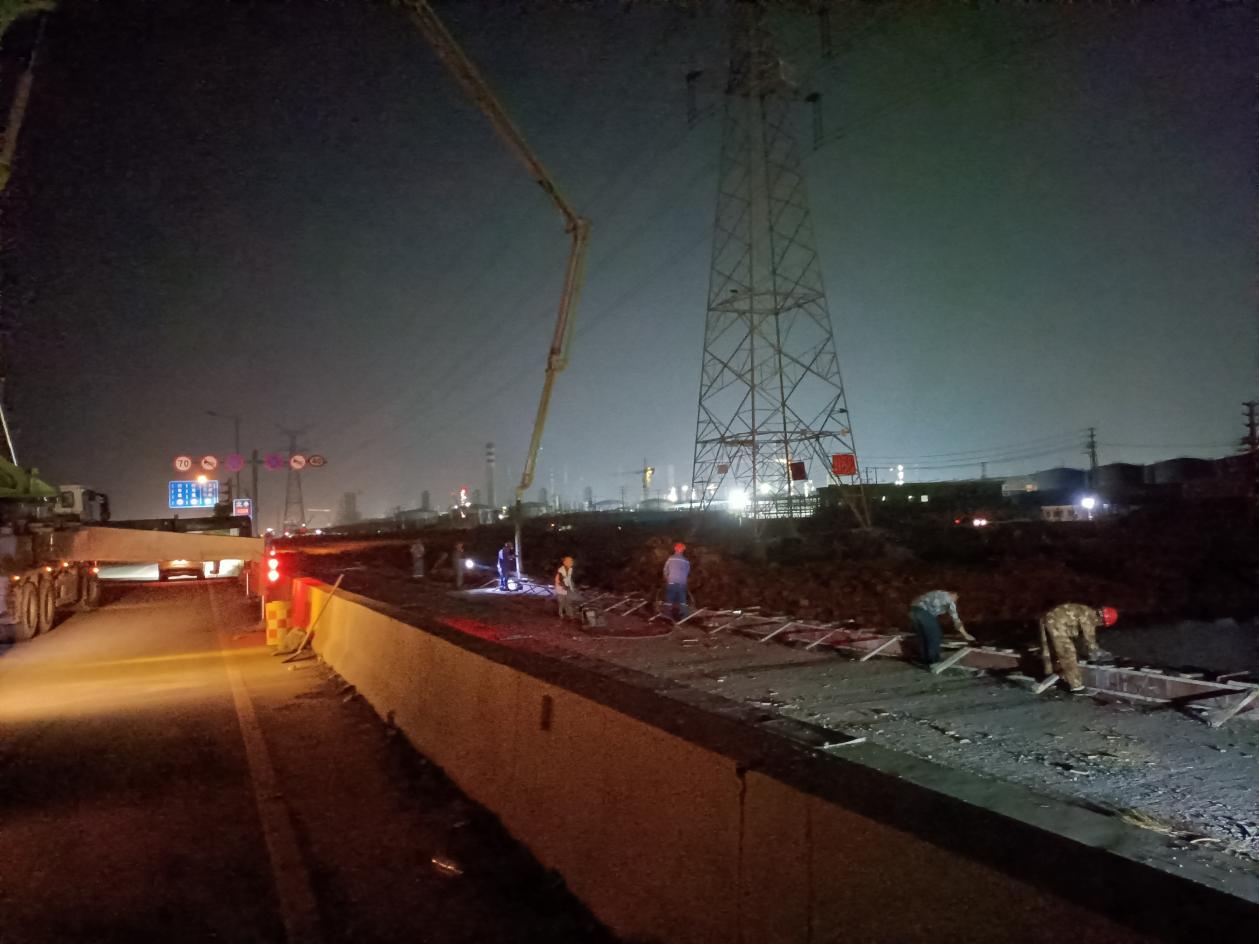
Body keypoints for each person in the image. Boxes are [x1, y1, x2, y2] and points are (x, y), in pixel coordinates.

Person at [1039, 603, 1117, 693]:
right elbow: (1089, 640)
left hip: (1047, 618)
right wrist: (1098, 654)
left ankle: (1049, 674)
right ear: (1102, 621)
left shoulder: (1087, 611)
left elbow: (1078, 637)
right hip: (1056, 623)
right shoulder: (1090, 618)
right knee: (1068, 653)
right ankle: (1076, 686)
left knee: (1049, 650)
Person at [908, 590, 974, 668]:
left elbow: (955, 619)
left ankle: (925, 660)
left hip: (913, 610)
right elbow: (956, 621)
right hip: (923, 611)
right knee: (935, 634)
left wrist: (965, 634)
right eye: (956, 598)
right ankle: (933, 661)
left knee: (924, 636)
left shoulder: (938, 593)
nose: (956, 600)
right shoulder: (948, 599)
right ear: (954, 594)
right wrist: (965, 635)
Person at [662, 542, 691, 620]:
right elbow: (687, 572)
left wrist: (667, 578)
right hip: (682, 583)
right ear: (683, 550)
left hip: (672, 581)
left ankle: (667, 615)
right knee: (682, 600)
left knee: (669, 599)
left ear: (675, 549)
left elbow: (665, 570)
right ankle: (684, 615)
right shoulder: (686, 561)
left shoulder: (671, 558)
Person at [554, 556, 578, 621]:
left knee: (568, 601)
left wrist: (572, 587)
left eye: (571, 562)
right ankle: (561, 614)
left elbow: (569, 579)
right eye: (569, 562)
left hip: (566, 587)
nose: (571, 563)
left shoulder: (570, 569)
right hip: (560, 587)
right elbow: (558, 580)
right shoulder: (560, 570)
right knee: (561, 602)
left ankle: (570, 615)